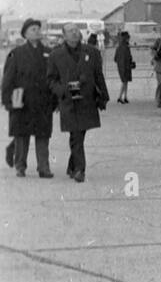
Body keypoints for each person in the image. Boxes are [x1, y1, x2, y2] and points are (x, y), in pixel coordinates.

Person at [46, 23, 109, 182]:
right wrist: (61, 90)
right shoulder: (56, 55)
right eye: (70, 31)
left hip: (87, 100)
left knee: (80, 133)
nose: (75, 33)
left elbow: (98, 75)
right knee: (76, 133)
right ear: (64, 36)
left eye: (76, 30)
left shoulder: (92, 52)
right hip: (68, 101)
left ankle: (72, 165)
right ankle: (80, 170)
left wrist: (104, 96)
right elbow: (51, 79)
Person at [1, 19, 55, 177]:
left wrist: (54, 101)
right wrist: (7, 101)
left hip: (43, 102)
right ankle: (20, 166)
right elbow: (8, 80)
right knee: (21, 136)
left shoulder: (49, 53)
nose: (37, 31)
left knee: (43, 135)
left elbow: (54, 76)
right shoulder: (17, 54)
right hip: (22, 101)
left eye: (38, 29)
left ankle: (44, 167)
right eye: (33, 29)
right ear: (25, 33)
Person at [114, 30, 135, 103]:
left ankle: (125, 96)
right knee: (124, 81)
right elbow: (128, 57)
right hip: (125, 67)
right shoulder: (125, 47)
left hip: (122, 66)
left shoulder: (119, 47)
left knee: (125, 82)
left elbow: (115, 58)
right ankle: (120, 97)